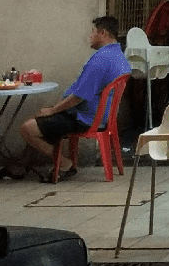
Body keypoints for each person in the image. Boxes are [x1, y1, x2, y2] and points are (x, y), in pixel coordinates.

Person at [17, 16, 131, 182]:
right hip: (100, 116)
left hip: (84, 118)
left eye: (93, 32)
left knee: (27, 128)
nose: (90, 36)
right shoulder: (118, 55)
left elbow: (79, 97)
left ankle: (65, 164)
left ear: (102, 33)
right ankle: (21, 165)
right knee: (39, 117)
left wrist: (53, 110)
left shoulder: (101, 60)